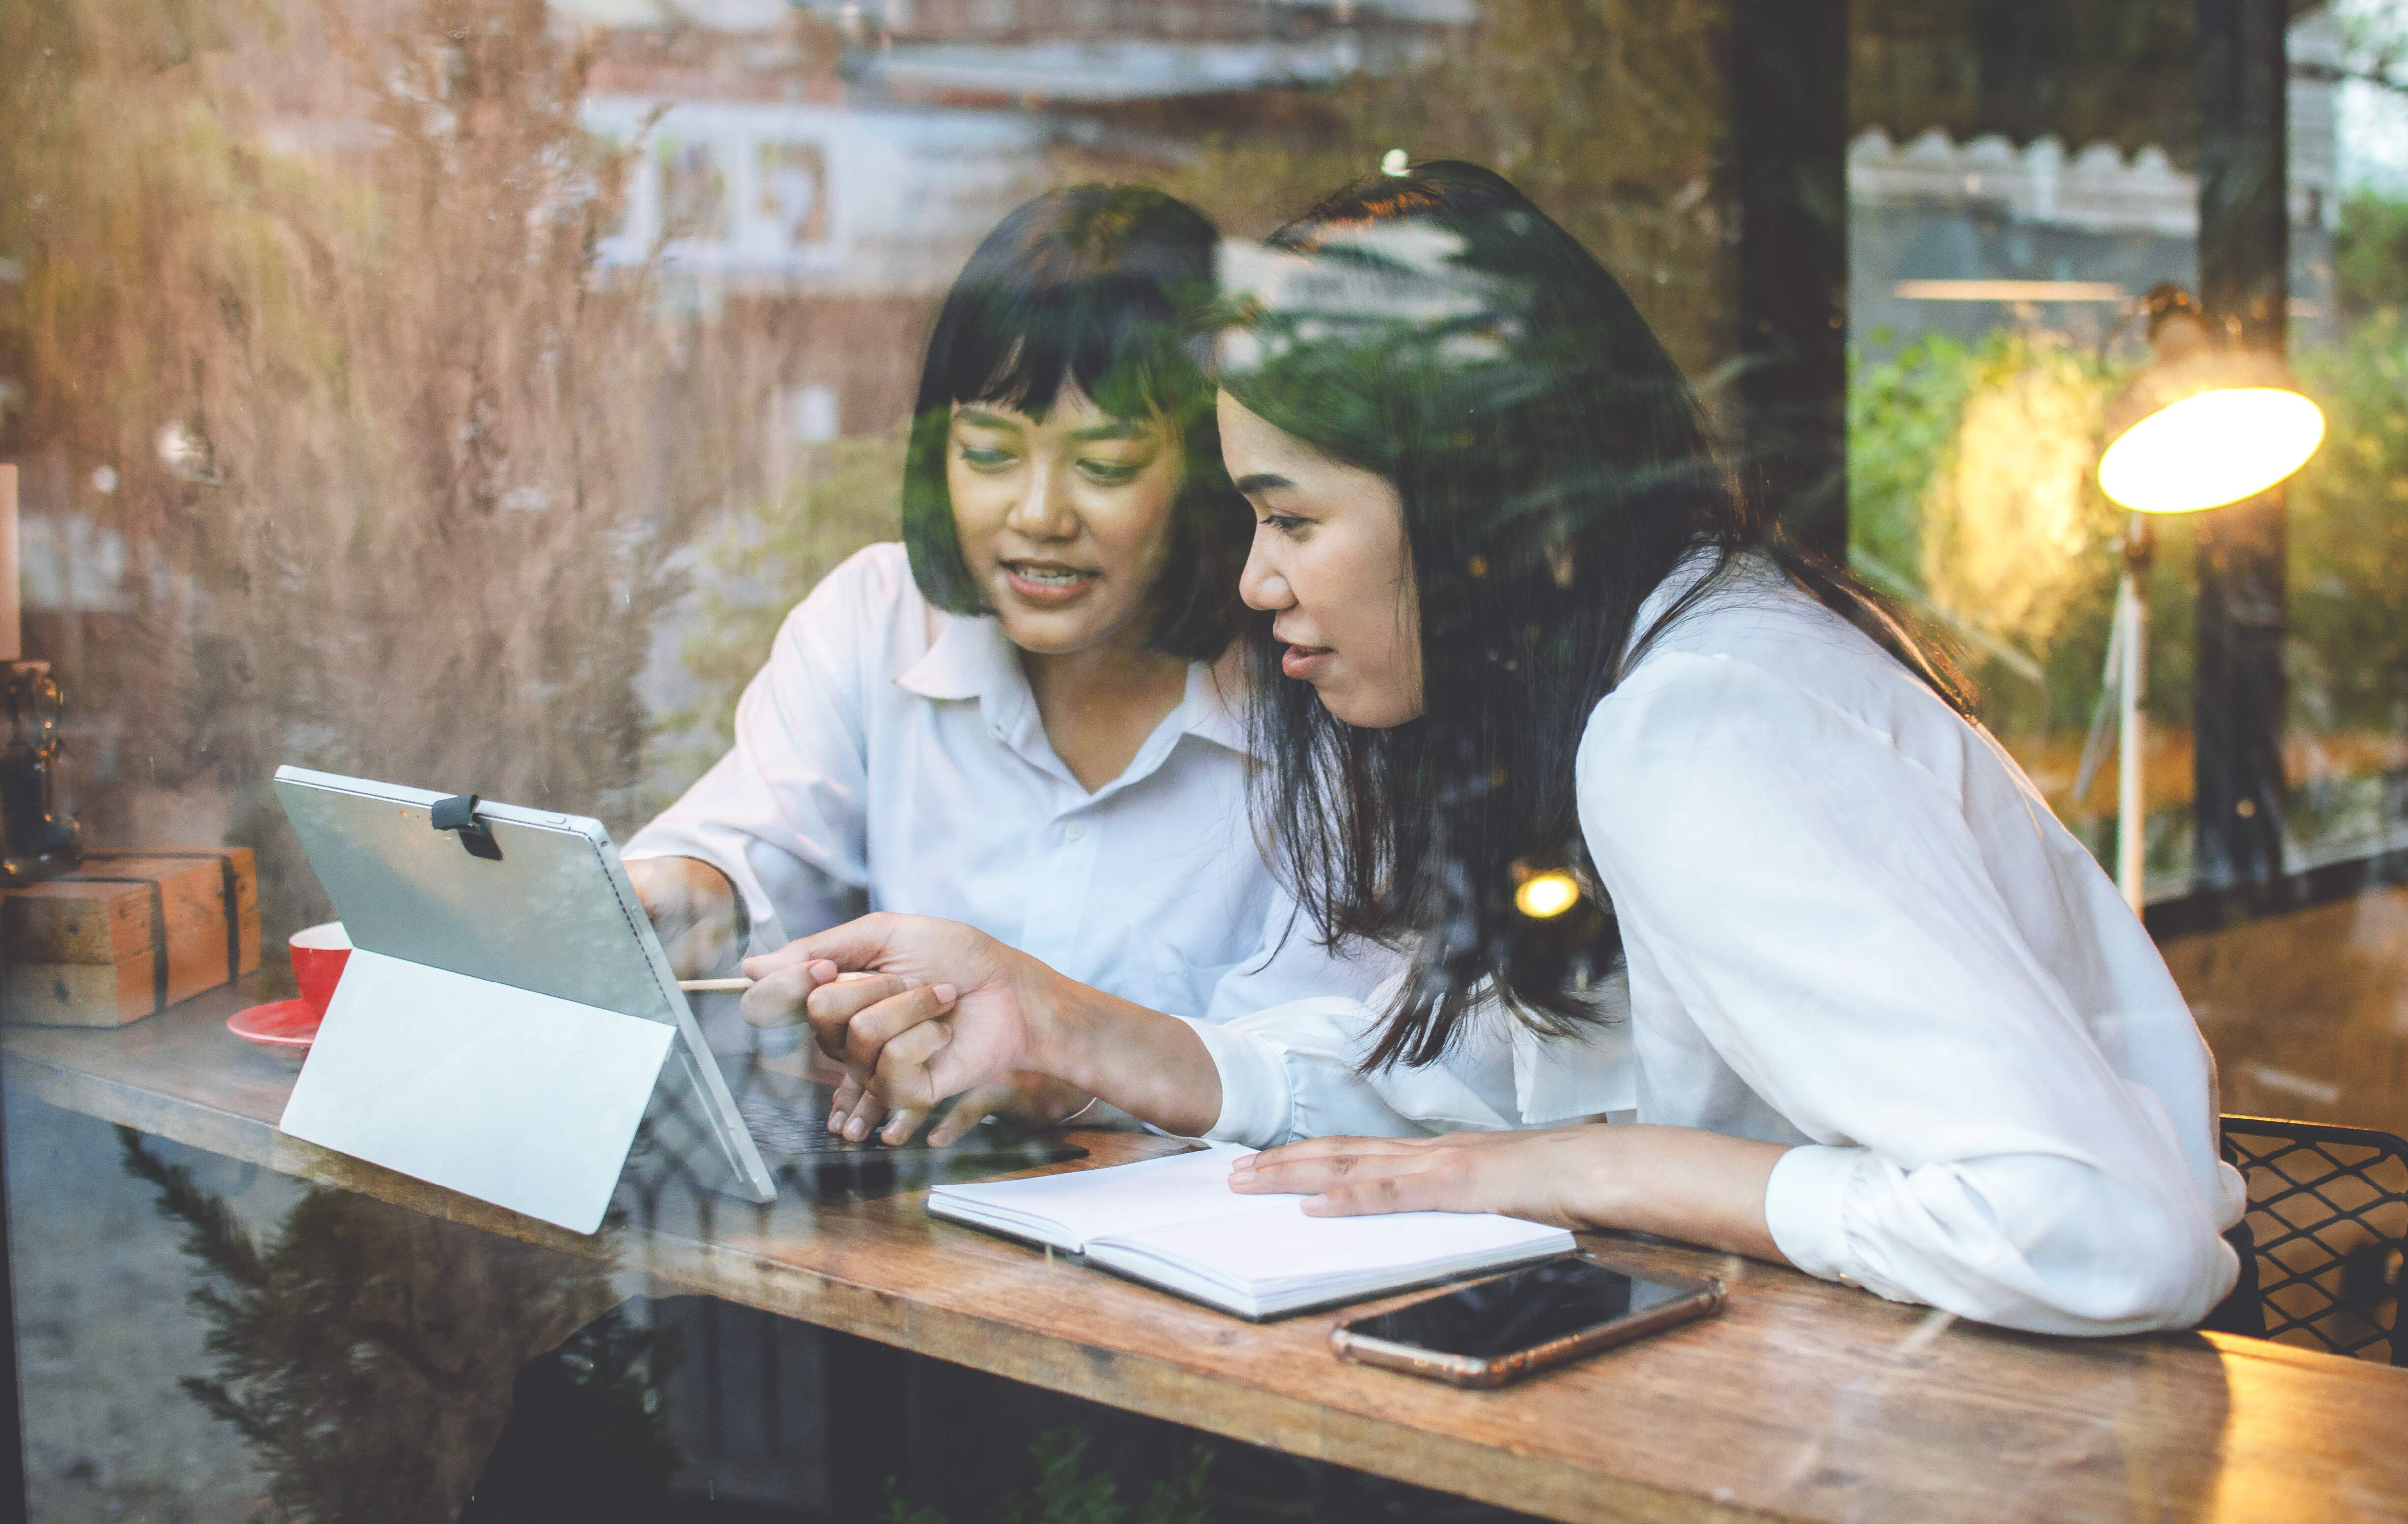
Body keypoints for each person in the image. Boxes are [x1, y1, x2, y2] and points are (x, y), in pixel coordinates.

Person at [741, 161, 2248, 1336]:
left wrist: (1606, 1165)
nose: (1257, 585)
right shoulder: (1610, 686)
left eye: (1291, 517)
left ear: (1465, 504)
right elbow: (1464, 1097)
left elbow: (2105, 1233)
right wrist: (1066, 1030)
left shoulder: (1697, 724)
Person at [623, 183, 1391, 1144]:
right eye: (988, 454)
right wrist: (675, 894)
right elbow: (751, 858)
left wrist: (1056, 1066)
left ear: (1213, 471)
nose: (1037, 515)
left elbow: (1348, 1068)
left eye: (1104, 466)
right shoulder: (879, 618)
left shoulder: (1322, 682)